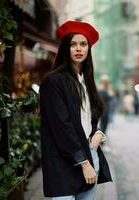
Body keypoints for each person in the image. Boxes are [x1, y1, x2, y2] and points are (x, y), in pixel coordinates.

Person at [39, 20, 112, 200]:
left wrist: (98, 134)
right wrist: (84, 163)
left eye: (83, 44)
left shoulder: (86, 80)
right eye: (73, 44)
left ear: (88, 49)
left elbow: (93, 116)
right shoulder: (53, 82)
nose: (78, 49)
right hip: (65, 162)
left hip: (89, 154)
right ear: (65, 48)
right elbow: (62, 126)